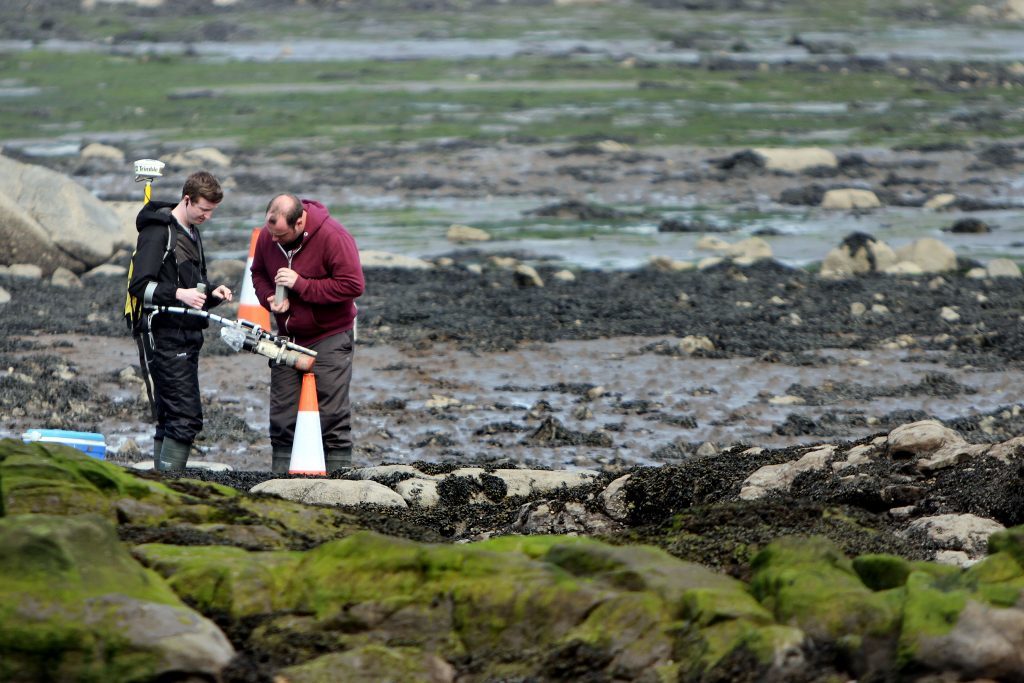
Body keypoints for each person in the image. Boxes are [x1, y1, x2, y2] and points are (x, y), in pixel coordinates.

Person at [250, 194, 364, 474]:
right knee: (282, 416)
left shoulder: (334, 236)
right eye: (271, 233)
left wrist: (301, 285)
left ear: (299, 221)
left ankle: (339, 482)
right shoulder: (269, 236)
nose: (274, 240)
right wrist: (268, 299)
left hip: (330, 335)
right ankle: (279, 480)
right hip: (287, 338)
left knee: (332, 415)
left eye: (281, 235)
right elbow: (258, 274)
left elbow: (352, 286)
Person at [128, 171, 234, 472]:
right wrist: (180, 294)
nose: (208, 217)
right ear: (187, 199)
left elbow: (194, 289)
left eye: (212, 211)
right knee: (186, 418)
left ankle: (161, 484)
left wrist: (213, 292)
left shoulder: (192, 232)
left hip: (187, 336)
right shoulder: (158, 232)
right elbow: (139, 288)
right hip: (163, 336)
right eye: (204, 209)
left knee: (170, 416)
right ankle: (170, 486)